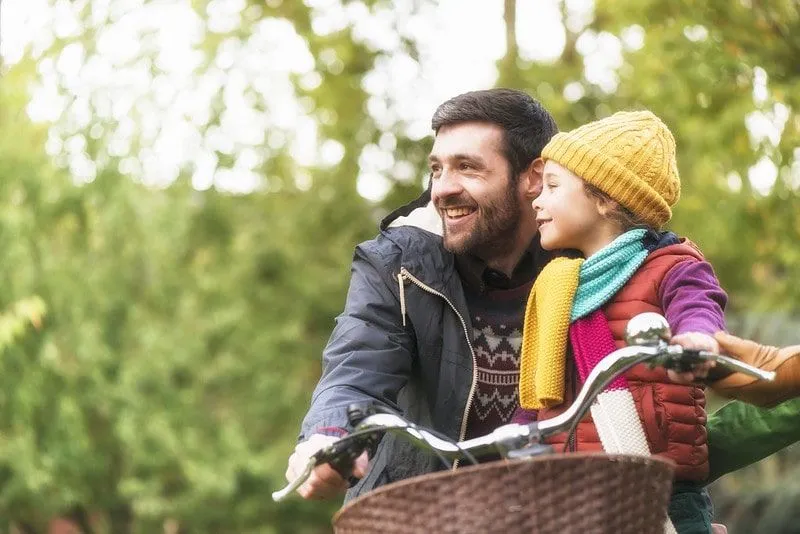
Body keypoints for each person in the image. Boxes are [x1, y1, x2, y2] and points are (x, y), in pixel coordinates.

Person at [284, 89, 800, 515]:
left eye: (468, 167)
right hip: (426, 511)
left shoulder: (603, 262)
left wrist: (675, 484)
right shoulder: (398, 264)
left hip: (562, 513)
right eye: (437, 168)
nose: (442, 189)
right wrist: (327, 436)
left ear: (533, 176)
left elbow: (686, 354)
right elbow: (355, 363)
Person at [514, 110, 730, 533]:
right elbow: (542, 387)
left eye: (553, 186)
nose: (537, 199)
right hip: (574, 492)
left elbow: (698, 305)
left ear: (605, 198)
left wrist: (697, 340)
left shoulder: (672, 265)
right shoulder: (560, 287)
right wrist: (522, 434)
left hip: (661, 487)